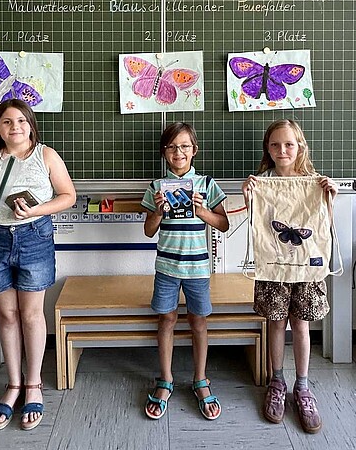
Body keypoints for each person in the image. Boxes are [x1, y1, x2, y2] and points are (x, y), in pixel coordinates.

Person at [0, 99, 76, 431]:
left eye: (22, 121)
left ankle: (33, 384)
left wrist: (36, 210)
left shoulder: (46, 156)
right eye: (7, 122)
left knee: (31, 314)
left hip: (34, 238)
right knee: (7, 314)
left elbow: (68, 195)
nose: (15, 127)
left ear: (31, 125)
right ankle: (13, 383)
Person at [242, 118, 337, 434]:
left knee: (300, 324)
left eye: (289, 144)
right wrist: (249, 197)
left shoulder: (314, 183)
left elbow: (322, 226)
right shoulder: (262, 182)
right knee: (276, 322)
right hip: (274, 266)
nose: (282, 150)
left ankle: (303, 386)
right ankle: (277, 382)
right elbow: (259, 225)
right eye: (275, 144)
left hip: (305, 267)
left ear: (300, 147)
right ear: (268, 149)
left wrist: (331, 198)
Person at [141, 122, 229, 420]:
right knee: (166, 319)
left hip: (198, 267)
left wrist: (202, 210)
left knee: (198, 321)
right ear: (164, 152)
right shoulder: (156, 187)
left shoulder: (206, 184)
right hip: (167, 266)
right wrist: (158, 211)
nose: (178, 152)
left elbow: (223, 224)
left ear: (194, 150)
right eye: (171, 147)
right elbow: (148, 231)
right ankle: (165, 379)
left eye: (184, 146)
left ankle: (200, 379)